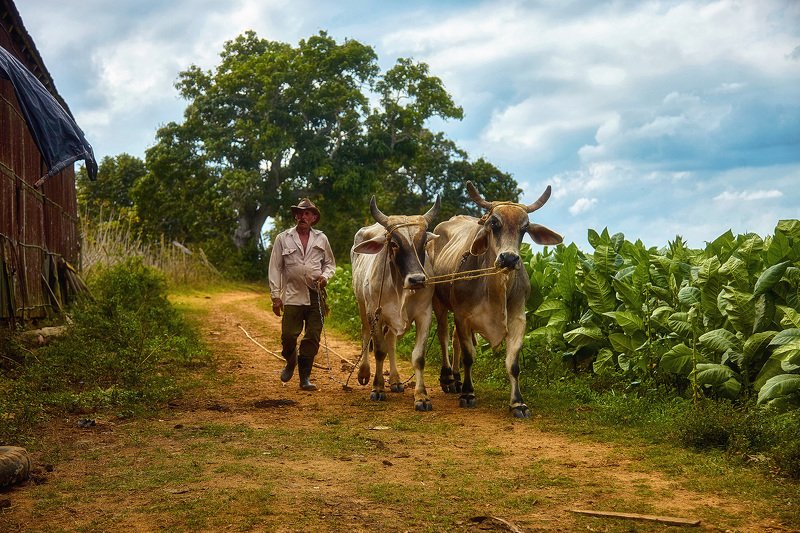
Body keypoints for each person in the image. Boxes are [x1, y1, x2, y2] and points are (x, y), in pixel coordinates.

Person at [268, 198, 336, 391]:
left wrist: (324, 277)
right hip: (291, 294)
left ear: (314, 218)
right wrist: (275, 296)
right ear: (296, 216)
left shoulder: (321, 238)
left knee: (313, 336)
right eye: (300, 213)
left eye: (307, 213)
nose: (303, 217)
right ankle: (291, 361)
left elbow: (330, 264)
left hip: (316, 295)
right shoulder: (283, 238)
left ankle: (304, 378)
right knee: (289, 335)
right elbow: (275, 267)